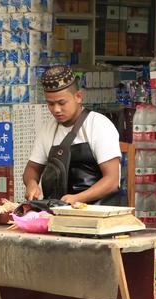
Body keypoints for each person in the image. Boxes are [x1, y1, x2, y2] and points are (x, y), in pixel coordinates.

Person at [23, 65, 121, 204]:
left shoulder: (98, 125)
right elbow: (32, 168)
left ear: (78, 96)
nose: (56, 109)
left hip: (97, 214)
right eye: (50, 104)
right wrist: (31, 184)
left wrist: (77, 199)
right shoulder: (48, 129)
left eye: (62, 103)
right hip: (59, 211)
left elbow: (112, 181)